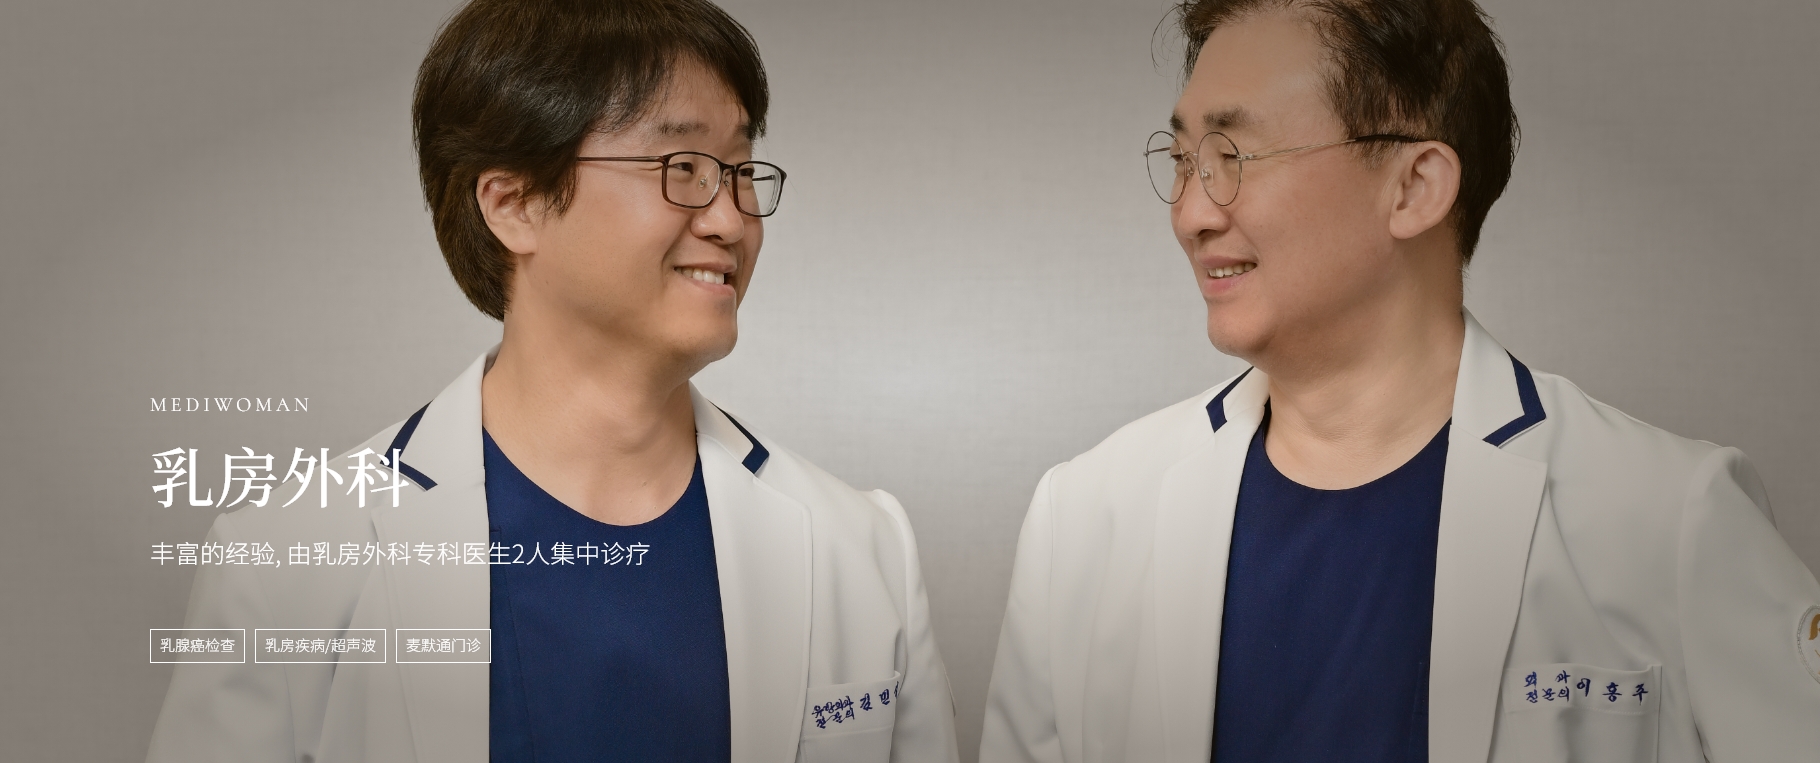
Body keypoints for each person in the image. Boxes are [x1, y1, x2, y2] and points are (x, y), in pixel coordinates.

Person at [978, 0, 1820, 761]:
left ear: (1415, 185)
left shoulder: (1670, 517)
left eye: (1233, 154)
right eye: (1182, 157)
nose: (1192, 212)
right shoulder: (1082, 522)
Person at [146, 1, 958, 761]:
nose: (728, 219)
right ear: (514, 203)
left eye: (740, 170)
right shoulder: (286, 565)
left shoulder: (864, 544)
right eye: (682, 166)